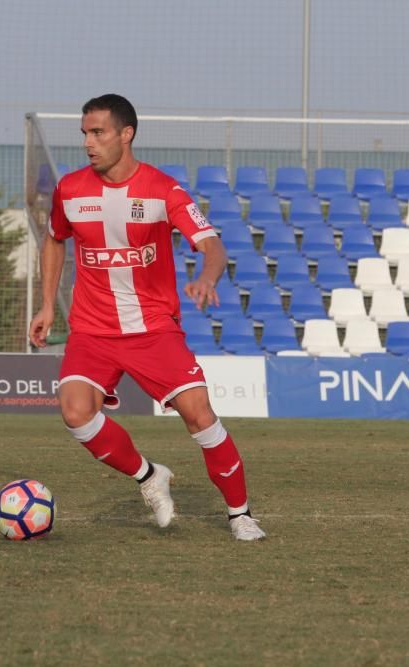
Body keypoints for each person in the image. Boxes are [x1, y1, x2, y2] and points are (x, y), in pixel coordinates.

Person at [28, 94, 265, 540]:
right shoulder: (70, 190)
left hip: (152, 330)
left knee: (199, 415)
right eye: (85, 133)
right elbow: (54, 239)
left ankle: (240, 515)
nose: (88, 143)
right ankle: (148, 476)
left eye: (98, 132)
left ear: (126, 134)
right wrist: (45, 304)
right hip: (92, 330)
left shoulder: (163, 189)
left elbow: (211, 245)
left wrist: (207, 279)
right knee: (76, 412)